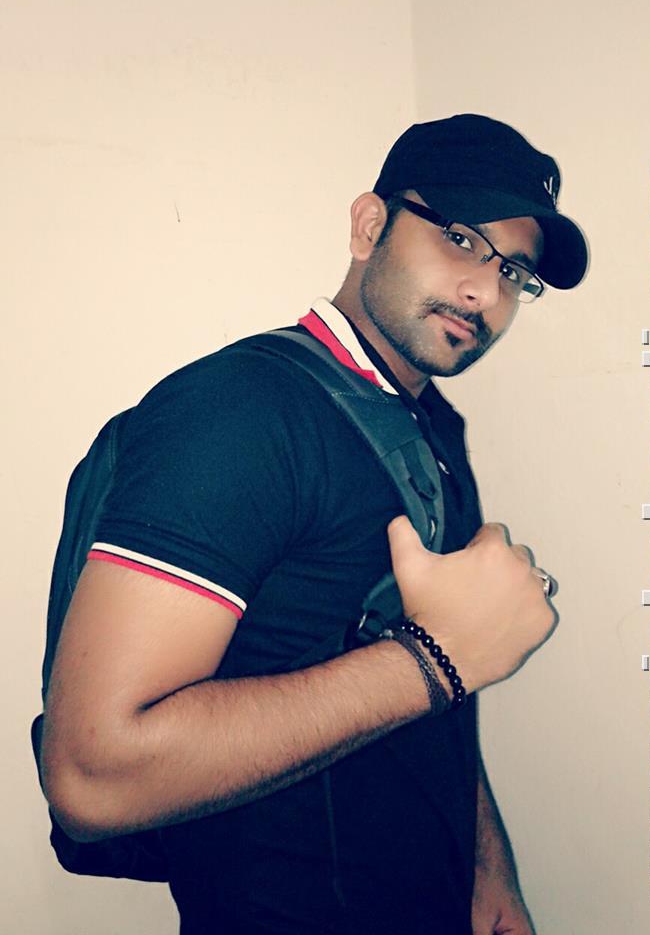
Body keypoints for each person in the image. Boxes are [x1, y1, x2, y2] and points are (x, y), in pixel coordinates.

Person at [41, 114, 588, 934]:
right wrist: (436, 658)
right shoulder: (238, 414)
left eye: (515, 271)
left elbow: (434, 696)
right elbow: (90, 780)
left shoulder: (433, 430)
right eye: (462, 239)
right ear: (370, 225)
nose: (487, 293)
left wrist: (485, 867)